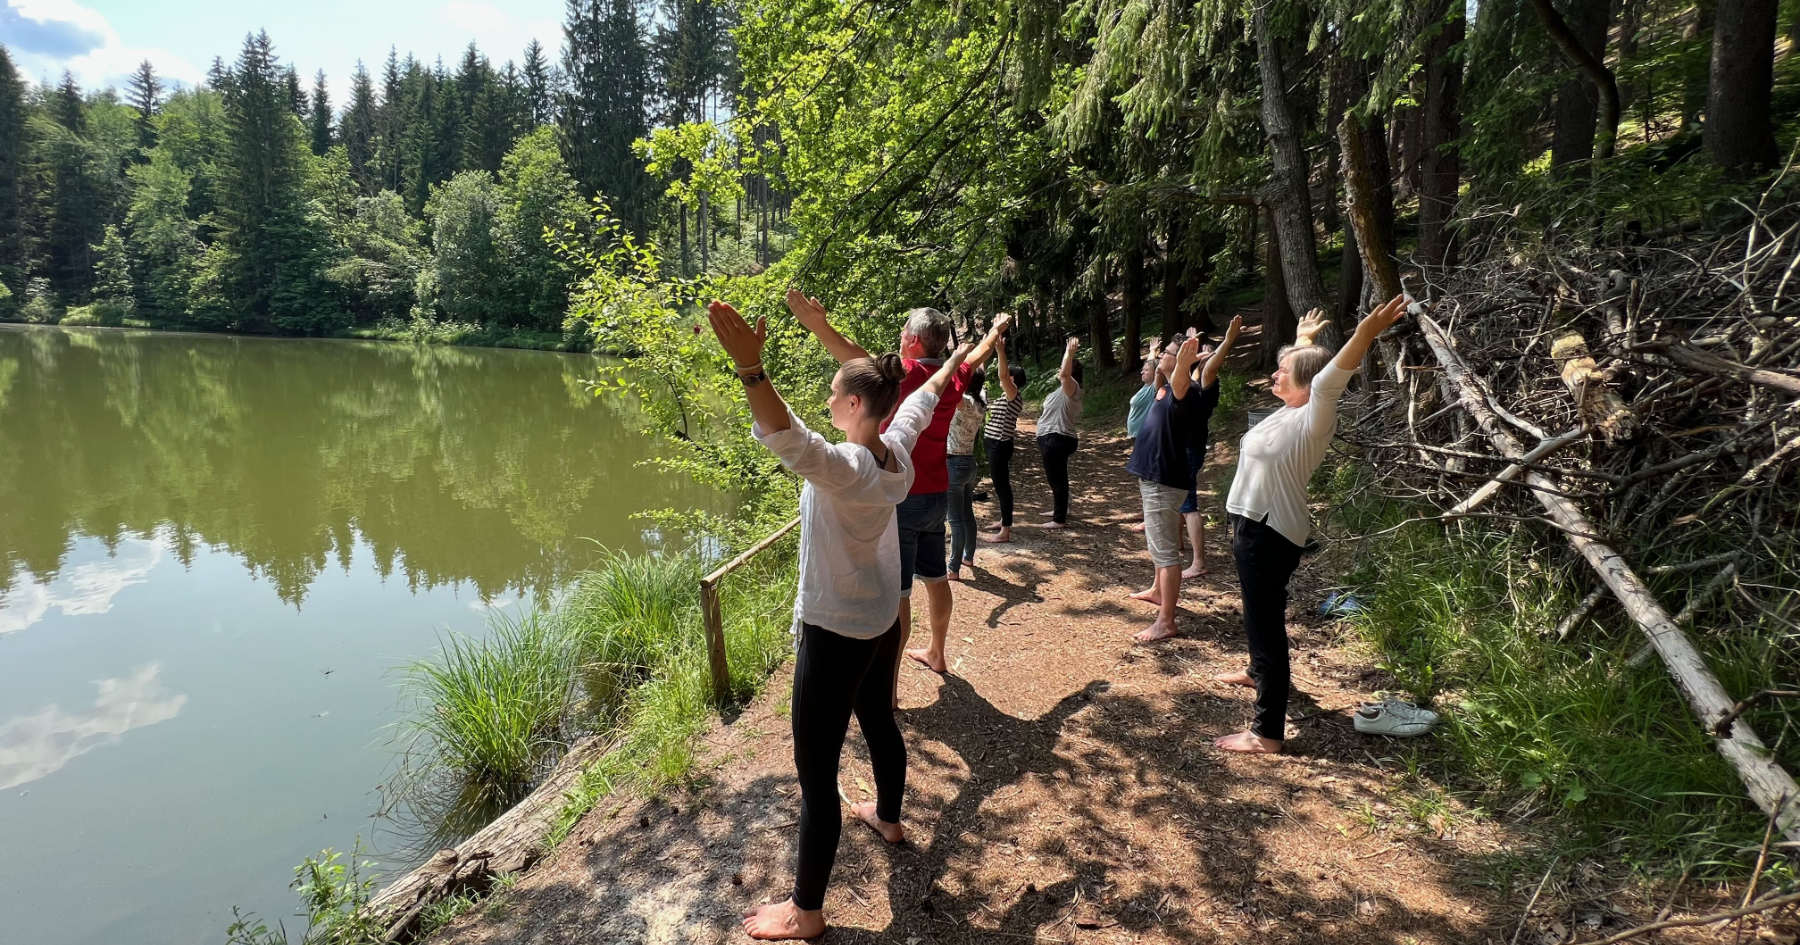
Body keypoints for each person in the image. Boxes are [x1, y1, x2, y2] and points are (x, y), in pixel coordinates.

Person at [704, 297, 973, 941]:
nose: (827, 402)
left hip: (833, 633)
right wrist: (958, 359)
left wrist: (751, 371)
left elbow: (790, 438)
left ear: (856, 406)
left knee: (817, 774)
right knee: (879, 718)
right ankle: (889, 818)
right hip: (882, 619)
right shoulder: (896, 454)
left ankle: (807, 911)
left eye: (833, 395)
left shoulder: (846, 468)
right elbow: (925, 397)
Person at [781, 289, 1011, 682]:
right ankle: (938, 653)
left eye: (904, 330)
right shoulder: (953, 376)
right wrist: (994, 330)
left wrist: (819, 327)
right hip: (937, 492)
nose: (899, 334)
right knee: (936, 577)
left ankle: (887, 687)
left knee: (898, 593)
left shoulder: (910, 375)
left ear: (913, 341)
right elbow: (975, 357)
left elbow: (855, 360)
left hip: (901, 495)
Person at [1213, 298, 1407, 754]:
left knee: (1266, 625)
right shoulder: (1288, 411)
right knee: (1259, 614)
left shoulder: (1313, 417)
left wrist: (1364, 334)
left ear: (1306, 382)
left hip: (1269, 533)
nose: (1274, 375)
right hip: (1251, 527)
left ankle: (1266, 732)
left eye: (1284, 371)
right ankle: (1259, 671)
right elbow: (1304, 371)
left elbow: (1328, 378)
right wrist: (1303, 343)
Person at [1126, 316, 1241, 643]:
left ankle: (1166, 621)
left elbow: (1201, 372)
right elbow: (1166, 372)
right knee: (1159, 547)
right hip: (1153, 476)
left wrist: (1219, 346)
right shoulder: (1165, 386)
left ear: (1184, 363)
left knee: (1165, 552)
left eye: (1167, 353)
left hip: (1164, 480)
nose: (1160, 355)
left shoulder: (1185, 391)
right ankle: (1158, 592)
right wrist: (1166, 356)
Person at [1035, 337, 1084, 528]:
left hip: (1057, 439)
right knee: (1058, 476)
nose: (1060, 369)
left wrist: (1069, 353)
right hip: (1053, 439)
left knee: (1057, 478)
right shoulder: (1062, 391)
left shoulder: (1073, 388)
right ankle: (1061, 509)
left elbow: (1064, 375)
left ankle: (1059, 519)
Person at [980, 337, 1025, 543]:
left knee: (1002, 486)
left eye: (1009, 375)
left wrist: (1000, 351)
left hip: (999, 445)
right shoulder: (1005, 397)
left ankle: (1005, 532)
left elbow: (1003, 374)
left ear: (1013, 379)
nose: (1005, 377)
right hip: (994, 444)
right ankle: (1003, 520)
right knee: (1000, 485)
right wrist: (984, 351)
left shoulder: (1013, 394)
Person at [945, 365, 986, 579]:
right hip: (969, 463)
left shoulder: (965, 402)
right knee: (967, 513)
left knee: (955, 519)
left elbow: (950, 390)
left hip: (954, 463)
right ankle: (968, 556)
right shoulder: (980, 403)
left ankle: (953, 568)